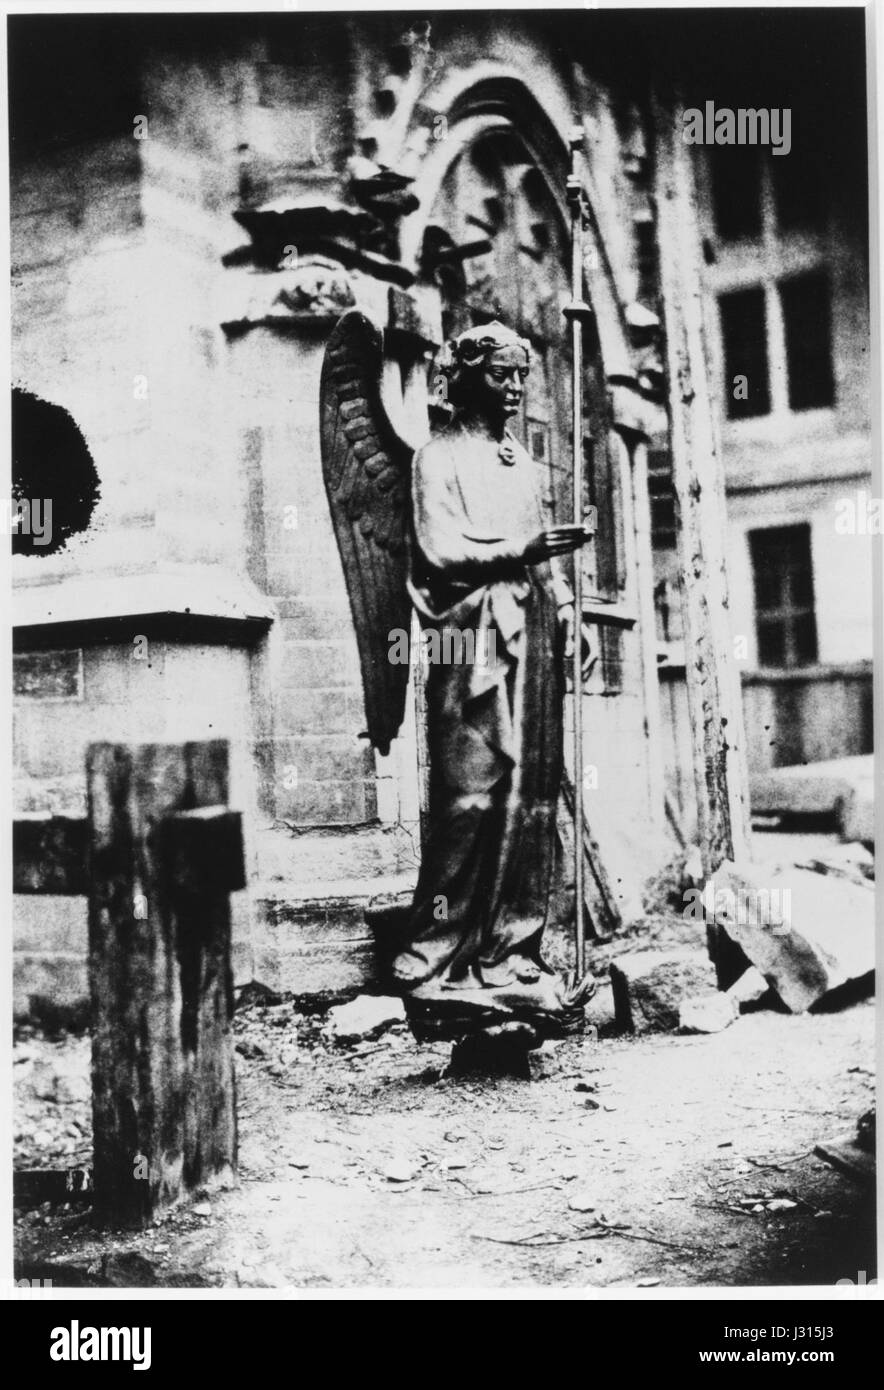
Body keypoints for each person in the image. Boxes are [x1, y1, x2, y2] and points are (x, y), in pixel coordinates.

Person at [392, 321, 592, 997]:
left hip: (530, 629)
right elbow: (437, 553)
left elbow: (542, 551)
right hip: (467, 637)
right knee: (469, 795)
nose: (512, 388)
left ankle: (510, 946)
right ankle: (432, 945)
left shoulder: (521, 461)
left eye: (520, 376)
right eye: (499, 374)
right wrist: (521, 554)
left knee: (527, 795)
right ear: (466, 377)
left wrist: (567, 608)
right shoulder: (435, 456)